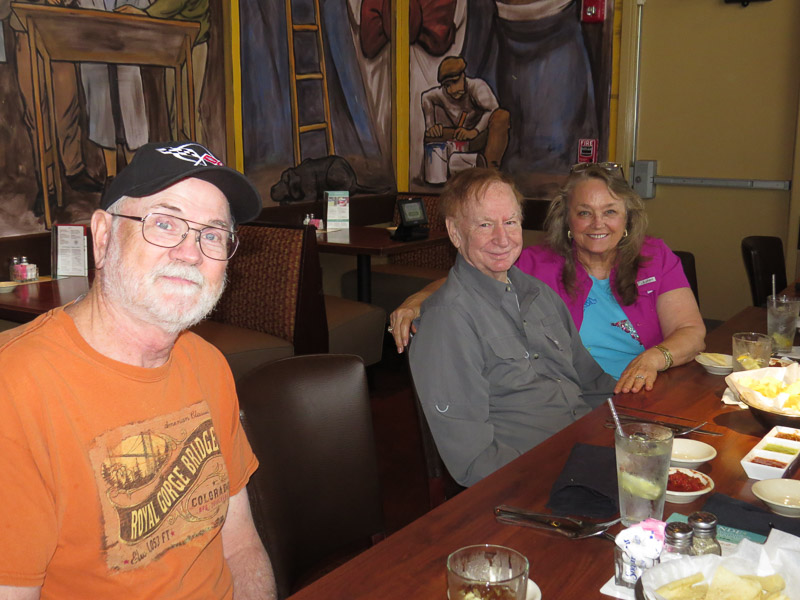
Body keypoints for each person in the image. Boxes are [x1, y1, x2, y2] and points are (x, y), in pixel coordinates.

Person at [0, 141, 275, 599]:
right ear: (104, 236)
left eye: (211, 234)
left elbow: (240, 545)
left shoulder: (207, 363)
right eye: (164, 223)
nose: (191, 253)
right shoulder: (16, 390)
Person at [391, 163, 706, 395]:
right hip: (578, 398)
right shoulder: (536, 263)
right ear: (567, 219)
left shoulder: (655, 255)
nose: (598, 223)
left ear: (627, 219)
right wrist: (417, 300)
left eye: (610, 211)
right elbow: (469, 279)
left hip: (650, 389)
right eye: (584, 212)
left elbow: (691, 331)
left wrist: (652, 359)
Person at [409, 168, 615, 487]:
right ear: (454, 232)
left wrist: (642, 425)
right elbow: (474, 460)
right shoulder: (448, 319)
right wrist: (557, 480)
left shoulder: (539, 295)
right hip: (534, 481)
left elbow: (594, 382)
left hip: (589, 453)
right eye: (485, 224)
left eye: (510, 222)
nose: (502, 239)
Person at [421, 56, 510, 169]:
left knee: (502, 116)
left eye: (455, 82)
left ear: (463, 75)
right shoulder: (441, 94)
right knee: (431, 138)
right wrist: (431, 126)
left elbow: (493, 110)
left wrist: (474, 131)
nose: (452, 90)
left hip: (480, 136)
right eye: (447, 85)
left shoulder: (477, 87)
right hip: (459, 136)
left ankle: (490, 170)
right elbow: (426, 97)